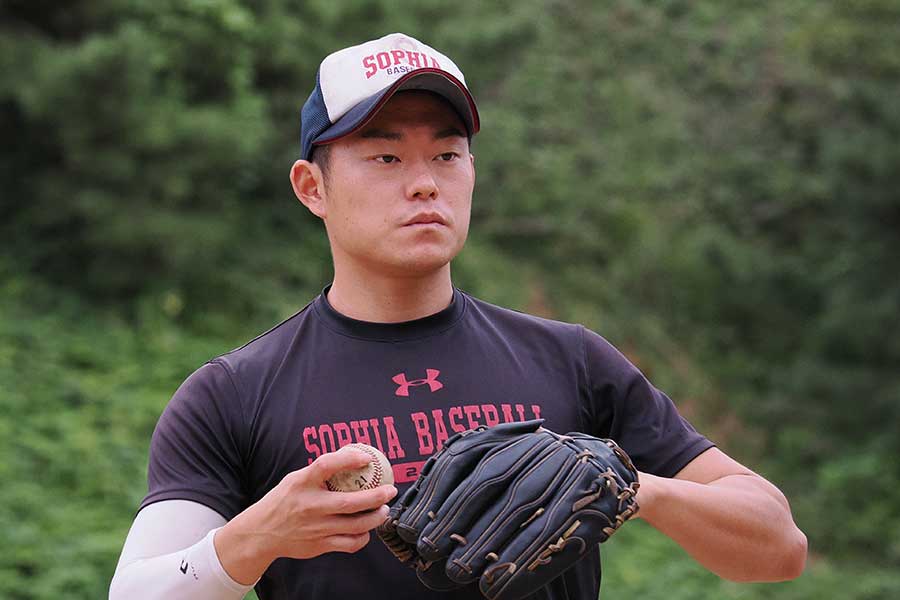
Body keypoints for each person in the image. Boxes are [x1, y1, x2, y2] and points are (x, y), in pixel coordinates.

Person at [109, 33, 807, 600]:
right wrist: (261, 534)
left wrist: (629, 485)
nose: (424, 182)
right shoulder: (234, 394)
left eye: (447, 154)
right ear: (311, 186)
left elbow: (777, 546)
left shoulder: (570, 360)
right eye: (385, 155)